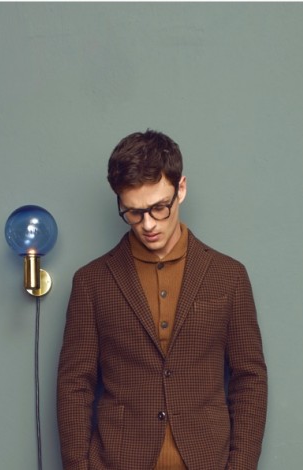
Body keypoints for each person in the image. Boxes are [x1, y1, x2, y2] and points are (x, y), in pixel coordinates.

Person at [57, 130, 267, 470]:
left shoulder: (229, 276)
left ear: (180, 189)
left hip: (207, 460)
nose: (148, 224)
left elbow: (250, 378)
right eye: (134, 212)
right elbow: (74, 385)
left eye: (159, 208)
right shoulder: (91, 282)